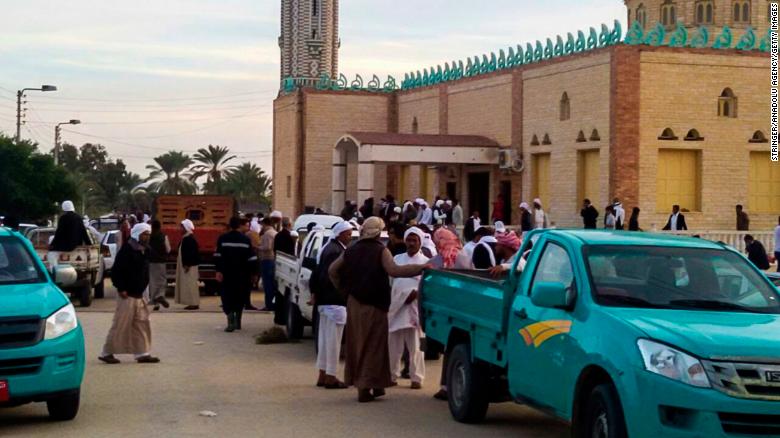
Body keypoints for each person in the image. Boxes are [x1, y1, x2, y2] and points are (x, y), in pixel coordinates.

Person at [328, 217, 428, 403]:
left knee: (358, 344)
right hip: (375, 305)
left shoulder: (351, 250)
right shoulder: (381, 251)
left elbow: (332, 271)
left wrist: (345, 292)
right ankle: (365, 388)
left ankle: (374, 384)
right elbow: (395, 271)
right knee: (373, 346)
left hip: (354, 304)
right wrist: (422, 268)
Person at [99, 223, 160, 364]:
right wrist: (121, 288)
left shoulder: (145, 250)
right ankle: (107, 352)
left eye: (148, 234)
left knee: (141, 324)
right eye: (144, 234)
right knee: (121, 324)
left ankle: (142, 353)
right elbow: (117, 272)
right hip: (127, 294)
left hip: (139, 294)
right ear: (136, 234)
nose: (147, 237)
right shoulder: (127, 250)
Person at [312, 221, 352, 389]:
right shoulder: (336, 251)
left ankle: (322, 374)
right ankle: (331, 376)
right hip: (334, 302)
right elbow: (329, 276)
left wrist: (316, 294)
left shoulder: (328, 249)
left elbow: (315, 274)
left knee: (325, 341)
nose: (350, 237)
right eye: (348, 234)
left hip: (324, 301)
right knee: (333, 342)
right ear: (339, 234)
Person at [388, 227, 429, 389]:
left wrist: (416, 294)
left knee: (416, 347)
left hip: (414, 309)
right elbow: (390, 282)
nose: (411, 243)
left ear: (420, 242)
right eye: (409, 240)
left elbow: (428, 286)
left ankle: (416, 378)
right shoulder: (397, 259)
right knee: (393, 346)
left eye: (415, 240)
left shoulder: (426, 262)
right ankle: (391, 375)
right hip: (396, 307)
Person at [215, 217, 259, 332]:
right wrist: (254, 273)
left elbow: (218, 256)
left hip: (227, 274)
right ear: (239, 226)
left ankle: (230, 320)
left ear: (229, 226)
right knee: (240, 297)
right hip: (242, 275)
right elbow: (252, 258)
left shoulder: (223, 239)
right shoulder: (245, 240)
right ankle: (238, 321)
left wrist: (218, 271)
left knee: (227, 296)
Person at [49, 200, 93, 267]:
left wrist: (52, 245)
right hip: (76, 244)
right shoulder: (78, 218)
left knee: (51, 254)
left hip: (65, 246)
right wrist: (89, 243)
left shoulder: (63, 218)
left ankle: (54, 270)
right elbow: (83, 232)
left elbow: (59, 233)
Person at [174, 219, 200, 311]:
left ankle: (193, 303)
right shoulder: (186, 238)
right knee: (188, 284)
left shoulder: (189, 239)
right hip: (187, 266)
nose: (180, 229)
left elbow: (192, 253)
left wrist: (187, 264)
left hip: (190, 266)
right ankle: (191, 302)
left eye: (182, 227)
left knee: (190, 285)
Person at [147, 220, 171, 311]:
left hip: (151, 262)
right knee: (162, 280)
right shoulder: (163, 236)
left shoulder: (149, 237)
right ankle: (160, 295)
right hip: (161, 262)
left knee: (153, 281)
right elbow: (168, 249)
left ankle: (155, 302)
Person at [258, 217, 277, 311]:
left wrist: (258, 247)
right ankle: (271, 304)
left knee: (267, 284)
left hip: (267, 259)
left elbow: (268, 247)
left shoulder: (268, 234)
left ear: (265, 224)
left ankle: (269, 304)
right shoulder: (274, 232)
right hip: (272, 259)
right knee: (271, 283)